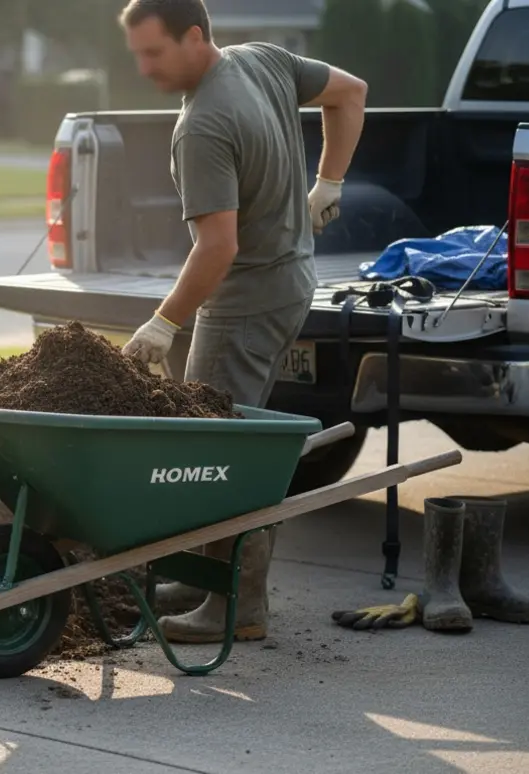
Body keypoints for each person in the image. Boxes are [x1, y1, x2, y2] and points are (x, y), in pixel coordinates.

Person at [116, 0, 368, 643]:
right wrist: (329, 181)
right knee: (228, 440)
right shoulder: (262, 60)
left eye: (154, 52)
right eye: (136, 53)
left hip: (246, 301)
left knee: (218, 457)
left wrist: (164, 322)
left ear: (194, 36)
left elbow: (218, 249)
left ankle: (237, 607)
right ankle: (208, 580)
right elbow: (351, 93)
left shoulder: (202, 126)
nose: (143, 68)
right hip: (290, 279)